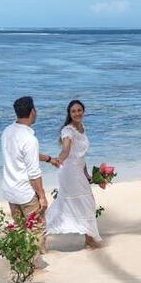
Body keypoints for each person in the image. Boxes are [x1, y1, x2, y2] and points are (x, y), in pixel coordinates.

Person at [1, 96, 60, 254]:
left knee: (21, 230)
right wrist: (42, 196)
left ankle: (23, 260)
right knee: (37, 229)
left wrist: (48, 158)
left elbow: (21, 155)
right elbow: (34, 172)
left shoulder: (7, 131)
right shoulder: (29, 139)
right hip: (26, 193)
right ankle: (35, 264)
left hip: (10, 190)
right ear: (32, 111)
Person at [46, 100, 105, 248]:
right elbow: (66, 149)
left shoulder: (82, 128)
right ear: (69, 114)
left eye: (79, 110)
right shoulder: (68, 130)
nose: (77, 113)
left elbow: (81, 156)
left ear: (83, 111)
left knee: (87, 204)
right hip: (69, 172)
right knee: (71, 203)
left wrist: (87, 175)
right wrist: (58, 160)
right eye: (73, 111)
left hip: (79, 170)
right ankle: (42, 234)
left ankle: (89, 238)